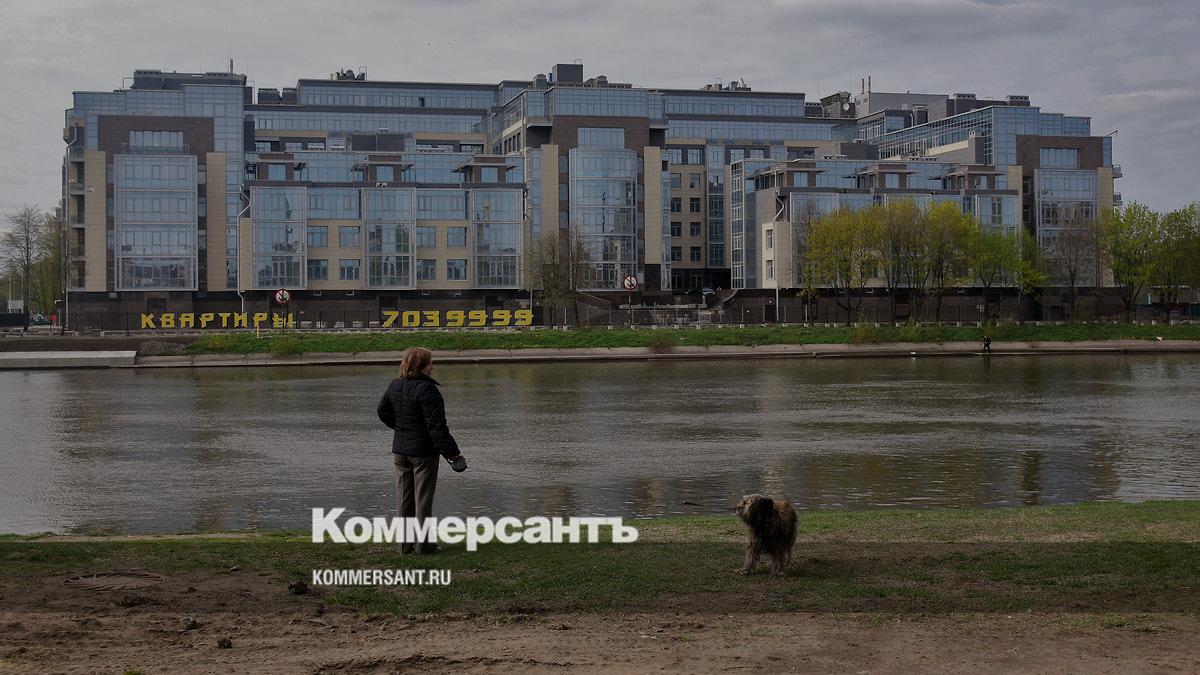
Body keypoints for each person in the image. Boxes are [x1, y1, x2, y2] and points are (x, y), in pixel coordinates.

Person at [377, 347, 467, 554]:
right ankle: (423, 545)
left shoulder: (395, 385)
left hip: (400, 451)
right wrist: (454, 455)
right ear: (421, 366)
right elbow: (438, 428)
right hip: (423, 453)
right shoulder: (428, 390)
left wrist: (401, 428)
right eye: (430, 363)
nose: (432, 367)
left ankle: (404, 545)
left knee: (403, 499)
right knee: (422, 500)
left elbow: (382, 411)